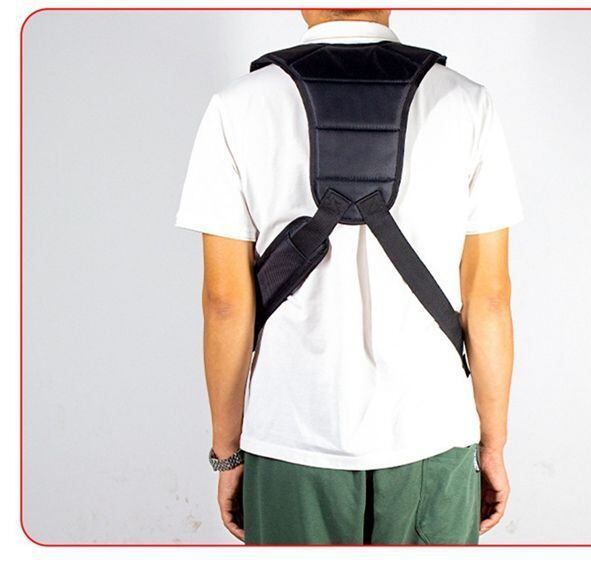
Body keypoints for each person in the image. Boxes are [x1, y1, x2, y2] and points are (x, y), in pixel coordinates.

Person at [176, 8, 523, 545]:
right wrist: (492, 445)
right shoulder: (465, 101)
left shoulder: (238, 106)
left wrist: (228, 452)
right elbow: (491, 299)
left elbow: (225, 303)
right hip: (431, 434)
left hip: (292, 436)